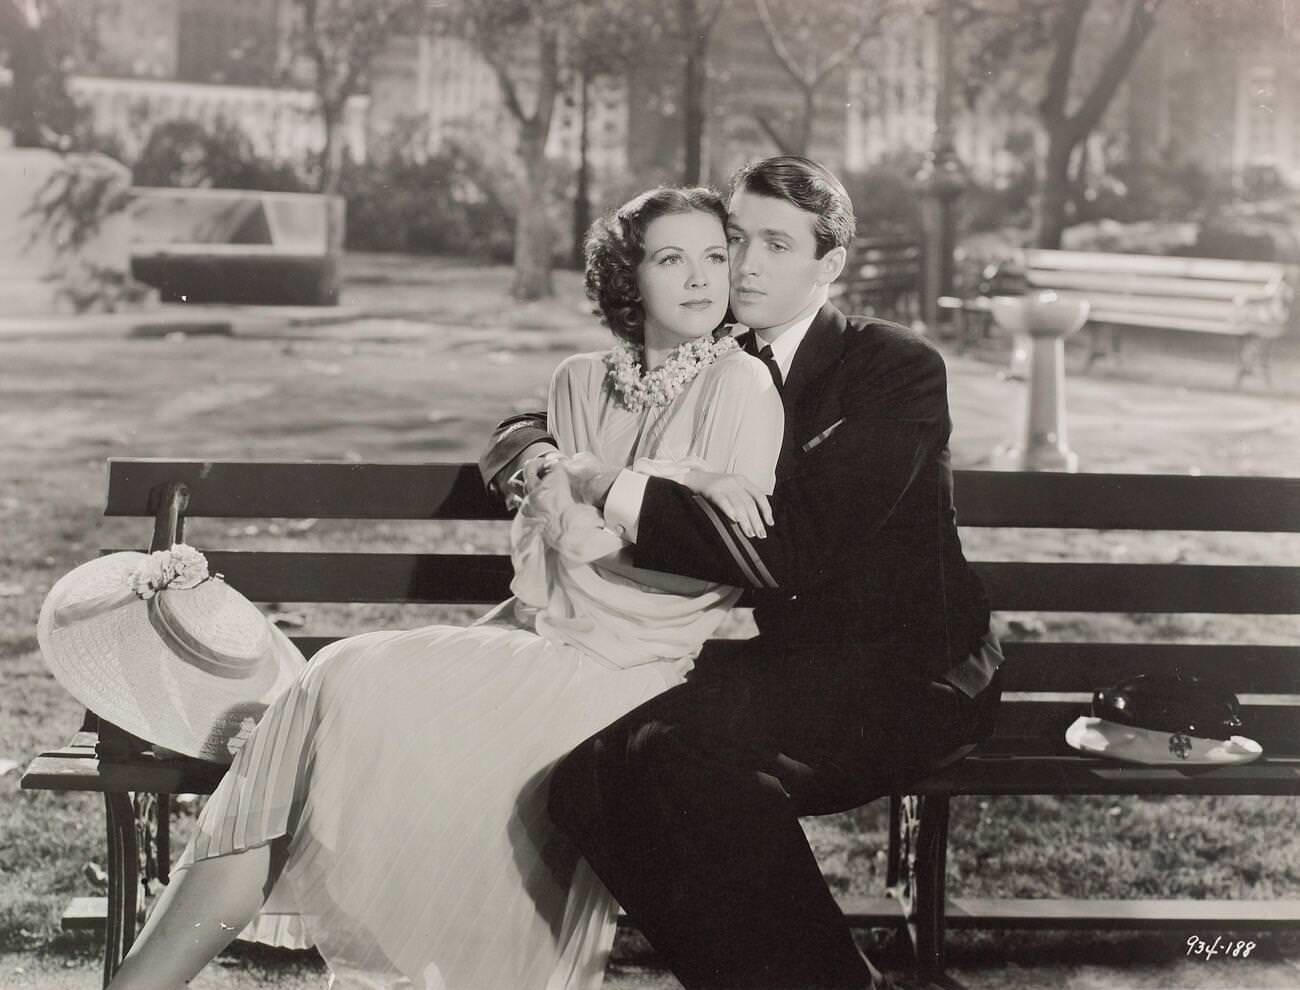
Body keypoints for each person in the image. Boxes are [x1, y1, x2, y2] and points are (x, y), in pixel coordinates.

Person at [104, 185, 784, 990]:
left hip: (631, 676)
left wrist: (627, 487)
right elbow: (546, 574)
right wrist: (601, 504)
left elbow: (698, 570)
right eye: (673, 258)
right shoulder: (575, 382)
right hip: (543, 646)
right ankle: (140, 984)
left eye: (716, 256)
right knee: (331, 693)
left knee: (340, 689)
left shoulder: (743, 387)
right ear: (627, 277)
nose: (702, 279)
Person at [482, 156, 1003, 990]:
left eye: (777, 244)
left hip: (915, 672)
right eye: (735, 240)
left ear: (828, 266)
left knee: (686, 769)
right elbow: (563, 407)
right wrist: (534, 450)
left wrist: (610, 484)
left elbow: (795, 550)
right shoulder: (709, 354)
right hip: (793, 666)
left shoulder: (891, 367)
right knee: (585, 780)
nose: (746, 265)